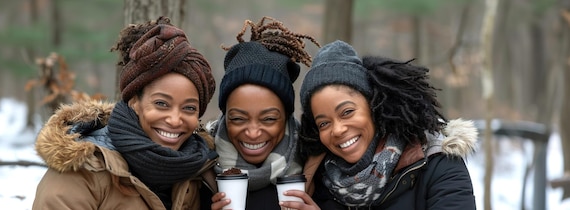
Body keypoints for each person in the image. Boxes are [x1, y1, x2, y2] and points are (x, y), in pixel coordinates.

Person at [32, 16, 217, 210]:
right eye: (161, 103)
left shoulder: (202, 173)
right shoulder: (82, 174)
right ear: (134, 102)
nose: (174, 119)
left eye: (189, 108)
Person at [280, 40, 478, 210]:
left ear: (374, 106)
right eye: (324, 123)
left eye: (347, 112)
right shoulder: (319, 180)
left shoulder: (438, 164)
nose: (338, 129)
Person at [208, 16, 320, 210]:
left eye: (268, 119)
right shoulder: (200, 167)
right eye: (238, 118)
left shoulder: (318, 166)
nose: (252, 133)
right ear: (225, 115)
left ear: (286, 117)